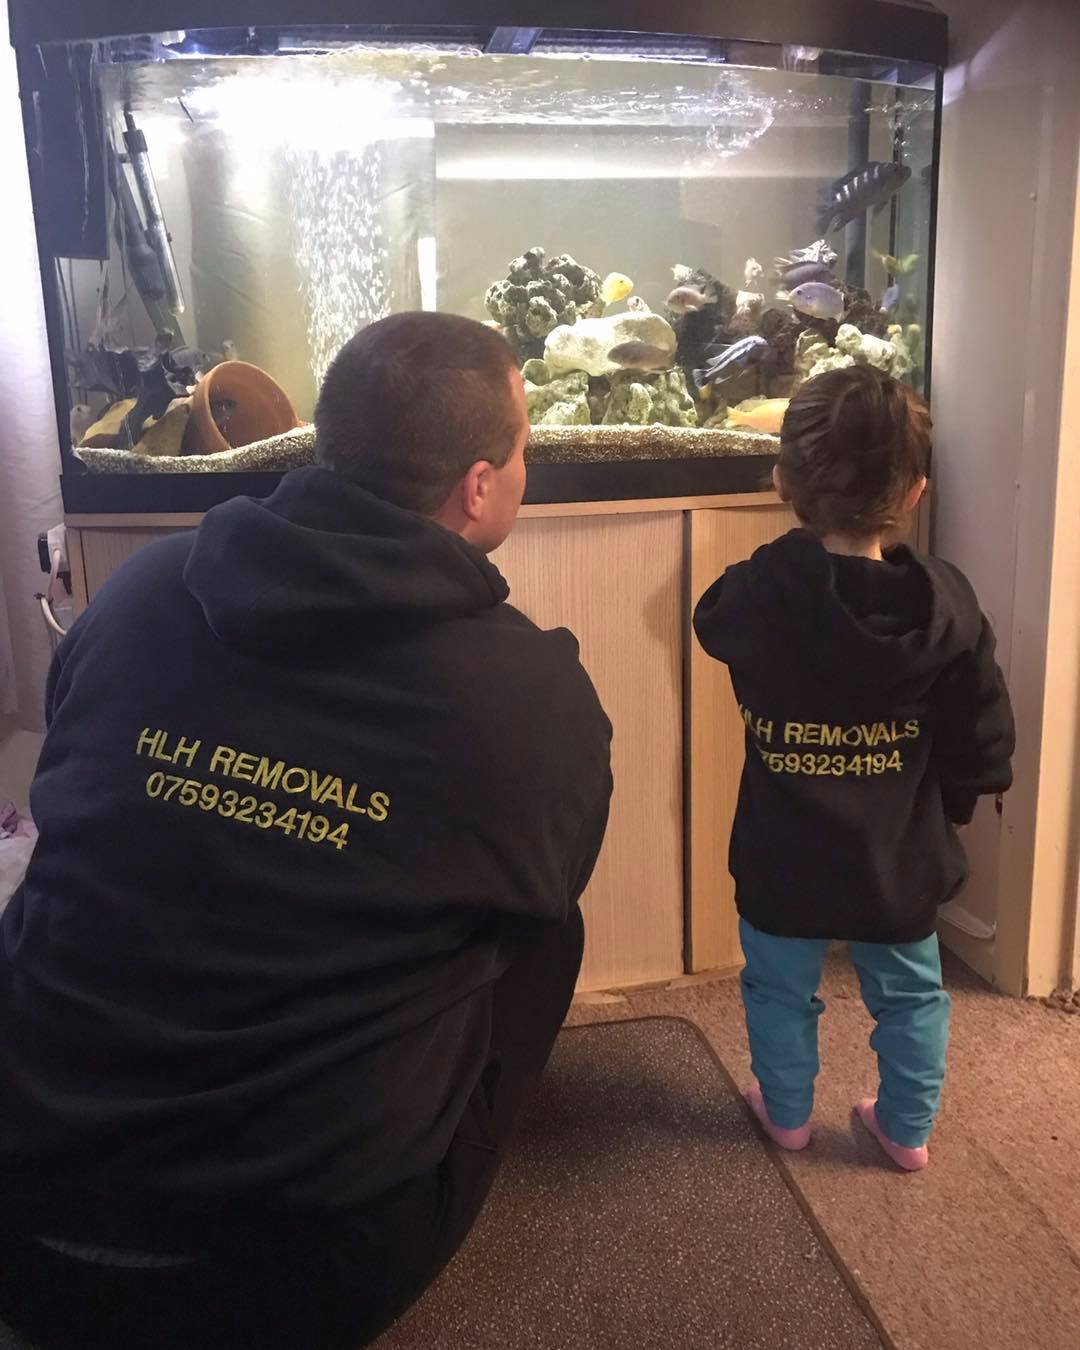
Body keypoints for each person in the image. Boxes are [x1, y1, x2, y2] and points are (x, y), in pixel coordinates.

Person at [0, 312, 612, 1348]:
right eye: (521, 449)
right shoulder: (531, 693)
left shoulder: (144, 590)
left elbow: (67, 790)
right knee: (547, 933)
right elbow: (539, 893)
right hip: (286, 1279)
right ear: (479, 485)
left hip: (23, 1210)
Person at [693, 365, 1014, 1172]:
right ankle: (905, 1130)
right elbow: (982, 720)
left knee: (777, 987)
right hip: (898, 852)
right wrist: (963, 803)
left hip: (783, 849)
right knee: (910, 992)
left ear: (783, 482)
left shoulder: (765, 589)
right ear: (915, 494)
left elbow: (711, 621)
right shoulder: (947, 604)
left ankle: (789, 1113)